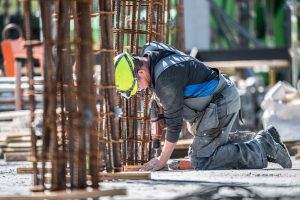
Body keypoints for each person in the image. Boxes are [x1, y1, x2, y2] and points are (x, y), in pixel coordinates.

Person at [114, 41, 292, 171]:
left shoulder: (165, 80)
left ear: (141, 71)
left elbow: (174, 126)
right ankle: (264, 138)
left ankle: (261, 148)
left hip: (220, 101)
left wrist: (161, 159)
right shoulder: (150, 50)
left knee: (201, 160)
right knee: (202, 152)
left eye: (137, 87)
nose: (140, 90)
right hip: (214, 101)